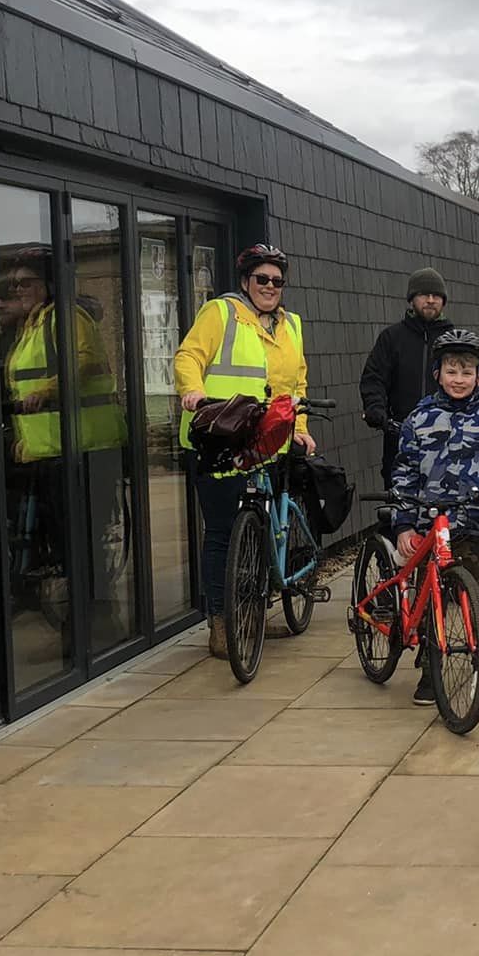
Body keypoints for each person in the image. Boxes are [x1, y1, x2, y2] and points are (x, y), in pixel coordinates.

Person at [175, 244, 312, 659]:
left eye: (277, 281)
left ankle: (256, 606)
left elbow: (296, 386)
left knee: (264, 526)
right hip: (221, 440)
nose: (270, 287)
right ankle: (221, 624)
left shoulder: (292, 325)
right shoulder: (221, 313)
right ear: (245, 281)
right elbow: (189, 355)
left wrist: (301, 427)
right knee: (220, 534)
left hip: (268, 442)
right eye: (262, 279)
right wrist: (192, 390)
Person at [389, 328, 479, 705]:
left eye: (467, 372)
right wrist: (403, 524)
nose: (459, 379)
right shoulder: (420, 417)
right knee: (430, 599)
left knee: (478, 599)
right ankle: (431, 672)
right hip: (429, 525)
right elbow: (403, 472)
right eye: (451, 370)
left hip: (475, 523)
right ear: (438, 373)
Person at [359, 266, 450, 487]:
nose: (430, 300)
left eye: (436, 295)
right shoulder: (391, 338)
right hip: (400, 438)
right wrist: (375, 409)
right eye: (423, 295)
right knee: (398, 511)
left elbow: (471, 383)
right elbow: (374, 379)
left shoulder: (453, 340)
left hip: (447, 441)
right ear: (412, 299)